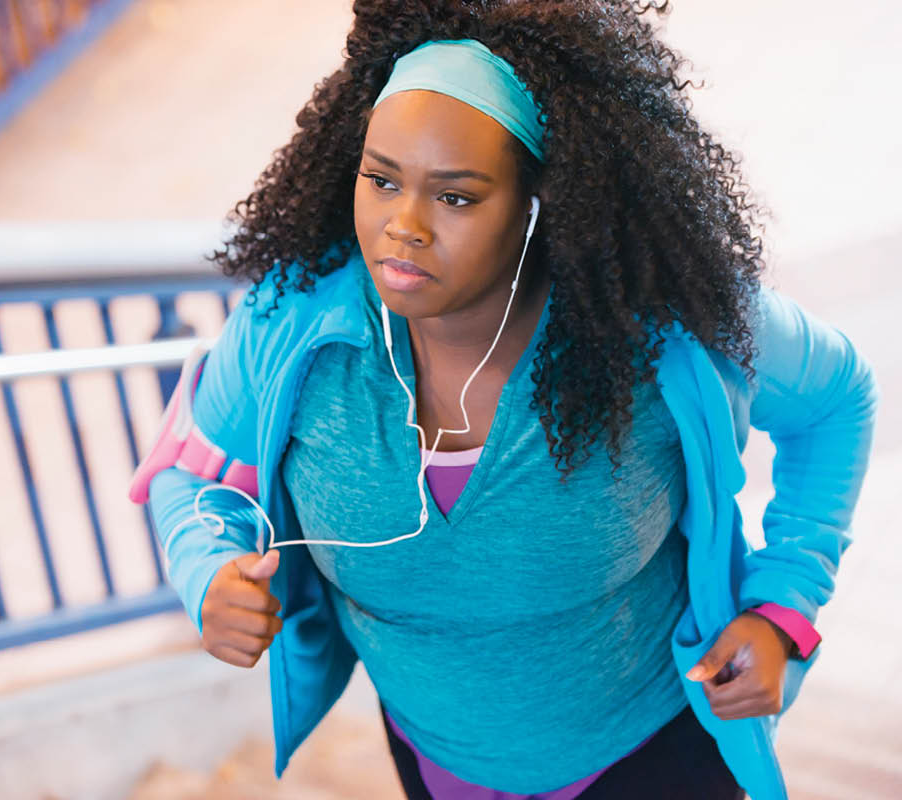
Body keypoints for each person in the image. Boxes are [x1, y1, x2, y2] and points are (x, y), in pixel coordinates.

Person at [128, 2, 878, 798]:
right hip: (433, 764)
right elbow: (190, 474)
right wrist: (205, 568)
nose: (402, 226)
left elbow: (839, 400)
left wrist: (782, 609)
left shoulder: (659, 322)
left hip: (654, 758)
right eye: (381, 179)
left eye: (455, 197)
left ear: (537, 204)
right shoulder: (292, 323)